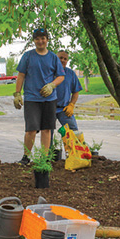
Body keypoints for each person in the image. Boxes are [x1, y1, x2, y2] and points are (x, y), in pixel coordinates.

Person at [14, 28, 65, 165]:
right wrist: (17, 93)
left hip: (49, 99)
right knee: (30, 129)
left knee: (46, 129)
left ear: (47, 40)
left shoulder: (53, 57)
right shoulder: (28, 56)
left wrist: (52, 85)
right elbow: (21, 75)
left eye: (43, 38)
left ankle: (44, 158)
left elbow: (61, 76)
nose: (40, 41)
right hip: (32, 99)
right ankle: (26, 157)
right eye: (37, 39)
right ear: (34, 41)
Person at [55, 50, 82, 131]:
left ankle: (73, 144)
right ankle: (49, 144)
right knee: (48, 132)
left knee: (73, 130)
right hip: (49, 108)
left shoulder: (71, 74)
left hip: (64, 108)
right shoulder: (48, 72)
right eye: (60, 58)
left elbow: (76, 92)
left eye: (65, 59)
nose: (63, 60)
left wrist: (71, 105)